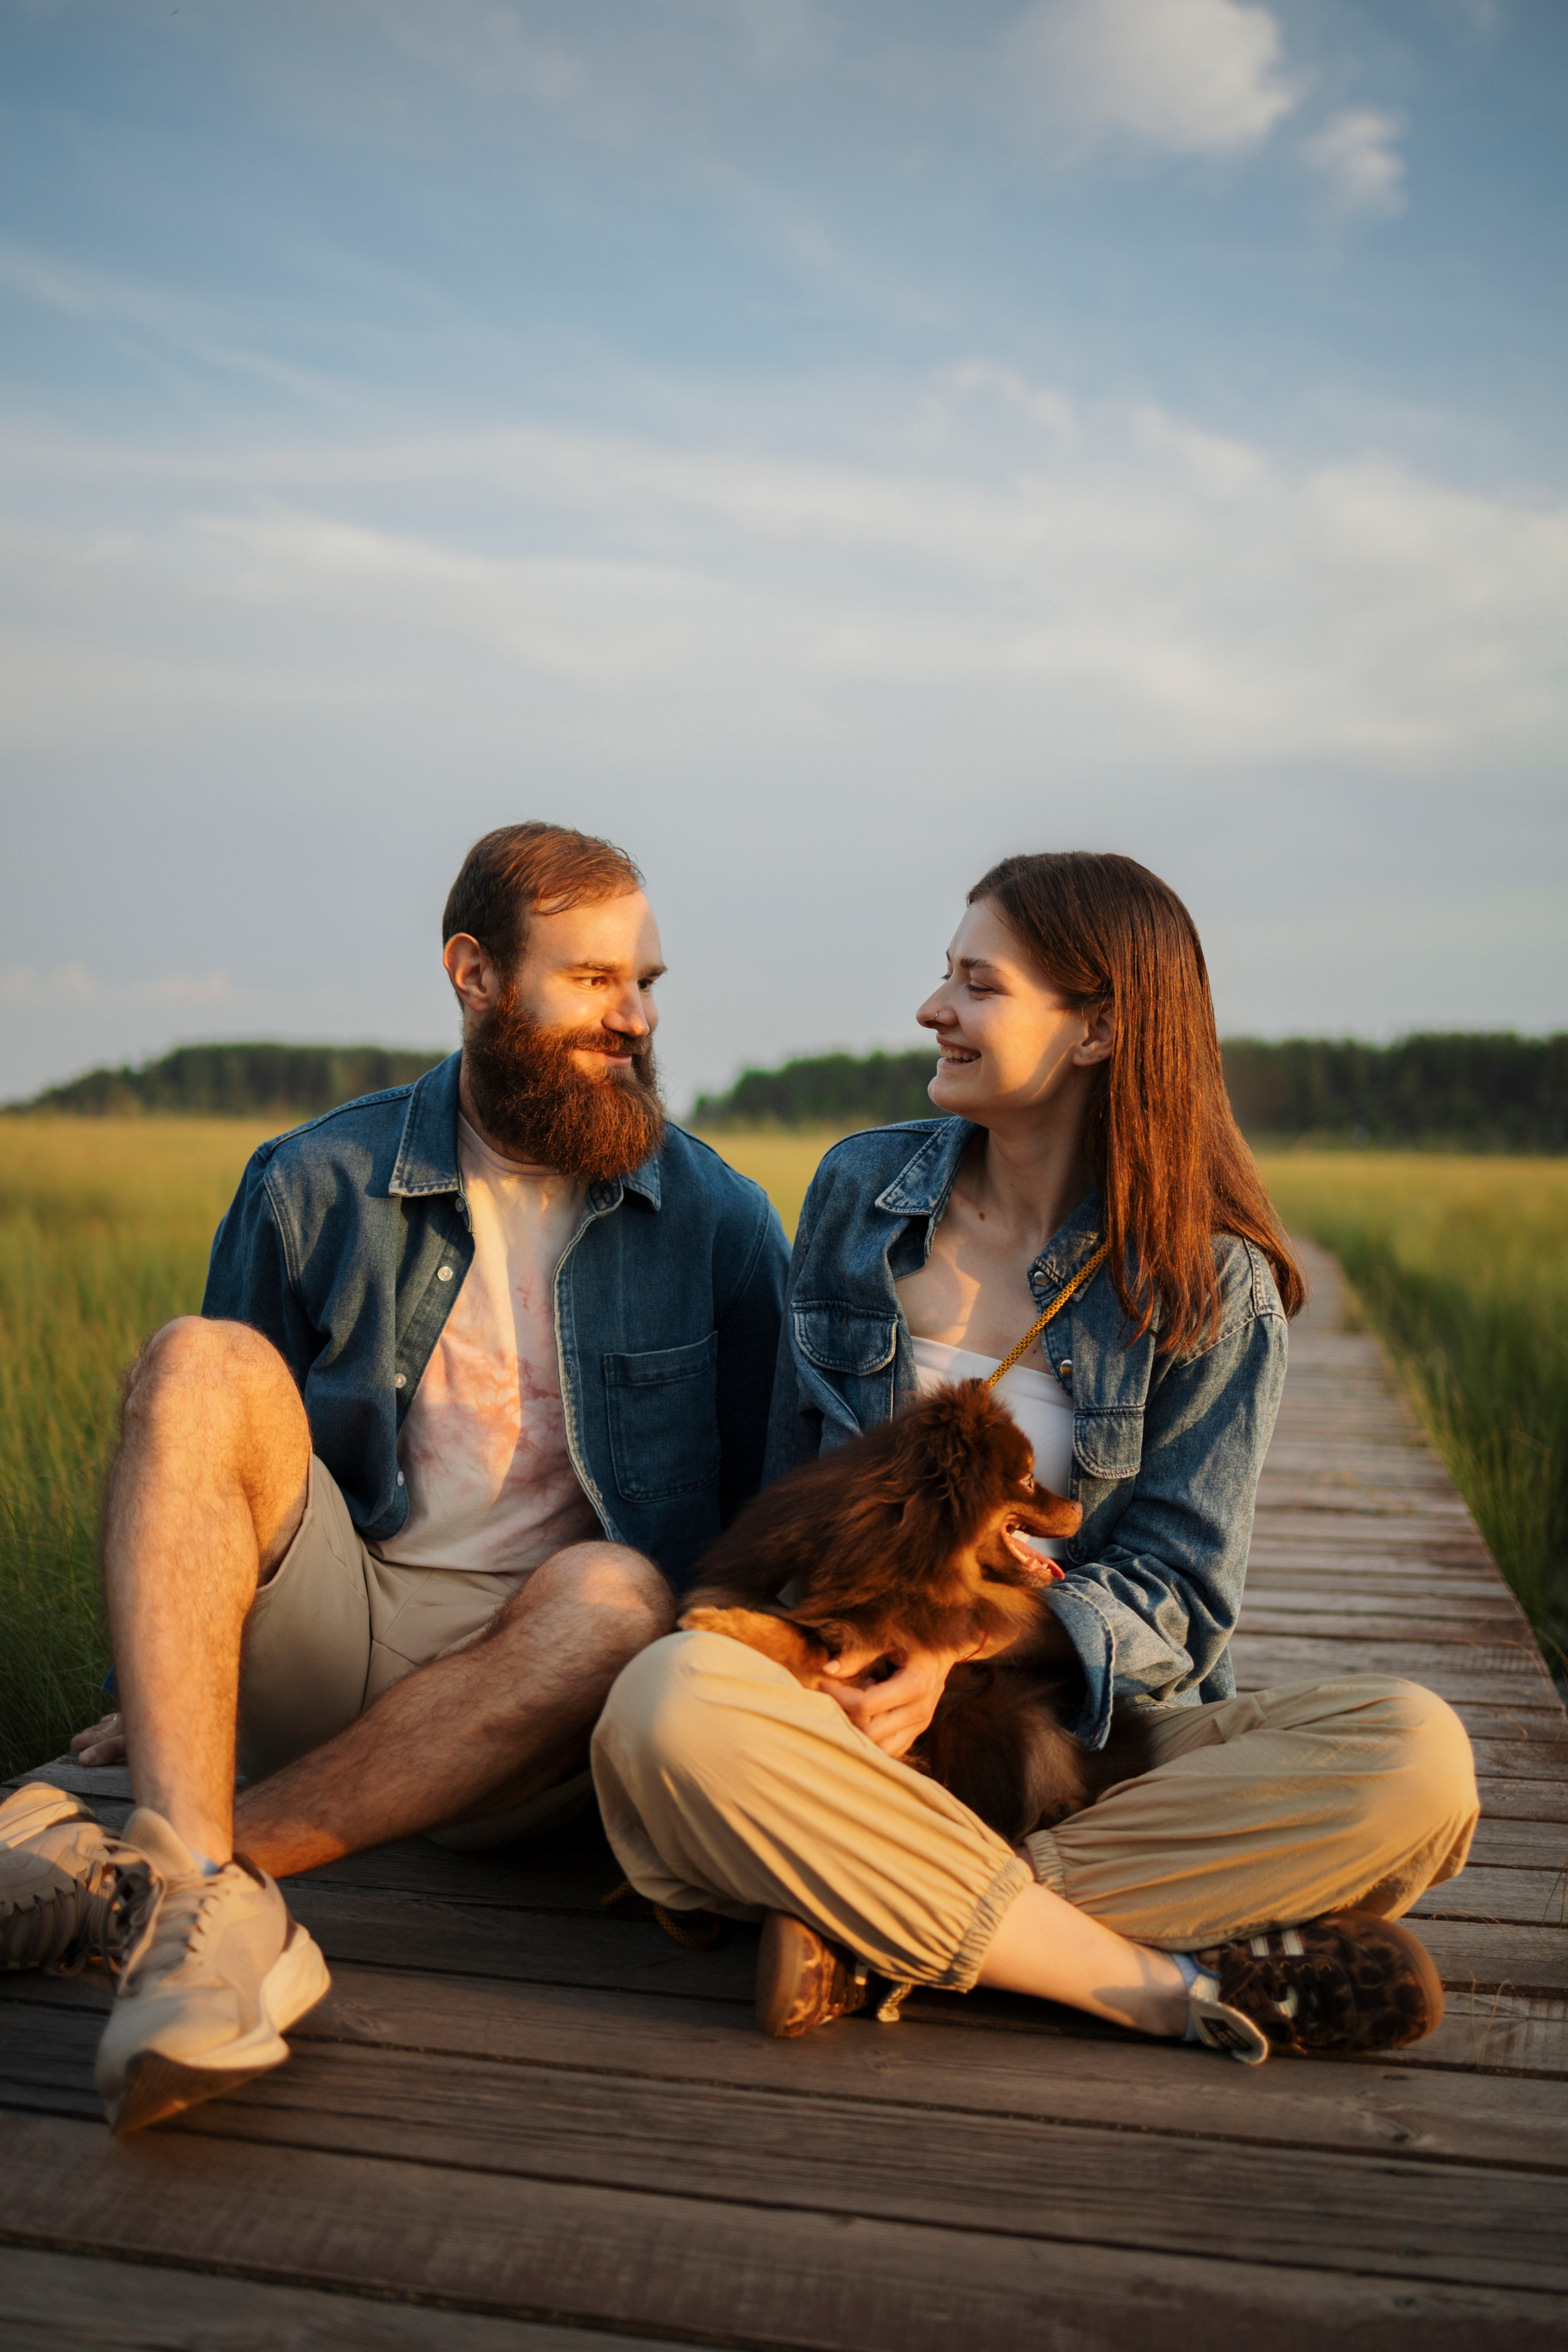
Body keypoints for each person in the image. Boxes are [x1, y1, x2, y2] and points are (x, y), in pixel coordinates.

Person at [593, 851, 1480, 2064]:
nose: (931, 1010)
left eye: (978, 984)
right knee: (662, 1705)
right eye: (942, 977)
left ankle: (863, 1913)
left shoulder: (1208, 1282)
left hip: (1076, 1747)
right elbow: (782, 1496)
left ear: (1098, 1030)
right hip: (837, 1707)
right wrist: (852, 1663)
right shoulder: (858, 1193)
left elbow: (1177, 1591)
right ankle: (1143, 1981)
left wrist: (954, 1639)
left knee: (1415, 1758)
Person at [0, 821, 788, 2132]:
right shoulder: (314, 1181)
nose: (634, 1019)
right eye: (592, 981)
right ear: (474, 973)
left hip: (544, 1708)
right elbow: (212, 1479)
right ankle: (199, 1885)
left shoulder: (717, 1221)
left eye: (645, 984)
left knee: (616, 1588)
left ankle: (164, 1873)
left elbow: (759, 1519)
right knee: (198, 1362)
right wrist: (150, 1690)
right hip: (340, 1618)